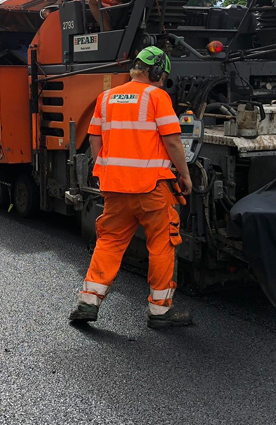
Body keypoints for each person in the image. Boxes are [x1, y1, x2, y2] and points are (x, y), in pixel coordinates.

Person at [69, 46, 194, 329]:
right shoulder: (156, 96)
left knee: (110, 242)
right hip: (152, 189)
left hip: (114, 190)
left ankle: (88, 303)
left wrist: (106, 169)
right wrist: (184, 176)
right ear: (157, 72)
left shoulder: (106, 97)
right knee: (162, 245)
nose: (162, 82)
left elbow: (94, 139)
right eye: (163, 77)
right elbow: (173, 142)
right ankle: (160, 311)